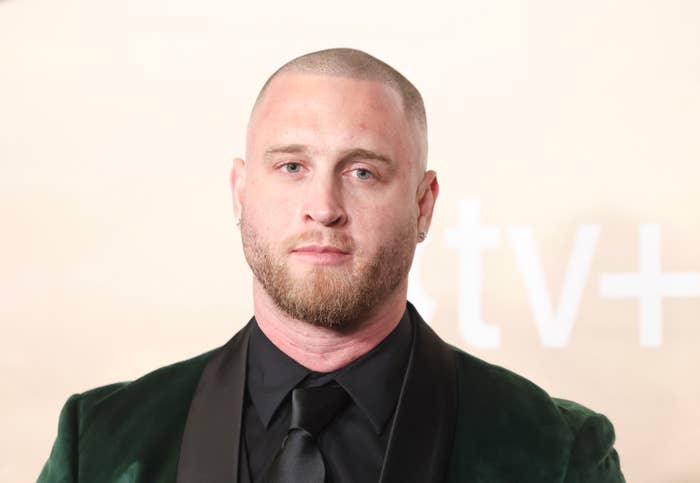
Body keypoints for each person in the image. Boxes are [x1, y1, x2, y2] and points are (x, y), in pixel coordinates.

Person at [38, 48, 625, 483]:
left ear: (423, 204)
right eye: (292, 166)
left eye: (362, 172)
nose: (323, 208)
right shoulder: (101, 440)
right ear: (241, 192)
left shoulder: (558, 451)